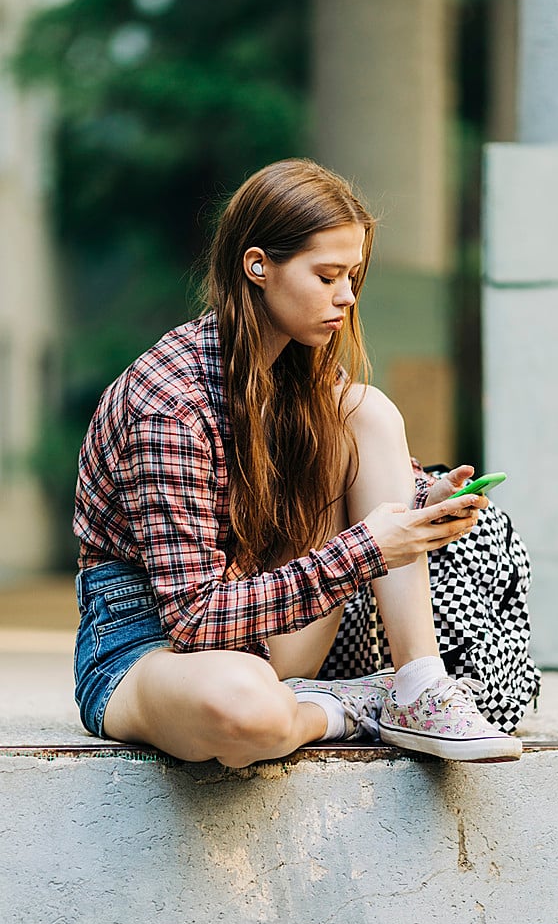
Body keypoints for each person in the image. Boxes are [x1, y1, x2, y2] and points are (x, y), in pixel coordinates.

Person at [73, 158, 522, 769]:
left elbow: (363, 490)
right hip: (149, 647)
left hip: (267, 634)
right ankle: (352, 705)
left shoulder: (299, 372)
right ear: (258, 266)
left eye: (353, 276)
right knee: (245, 710)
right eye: (327, 276)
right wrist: (367, 549)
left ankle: (419, 687)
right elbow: (192, 619)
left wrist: (425, 501)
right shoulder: (170, 403)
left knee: (366, 409)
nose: (347, 297)